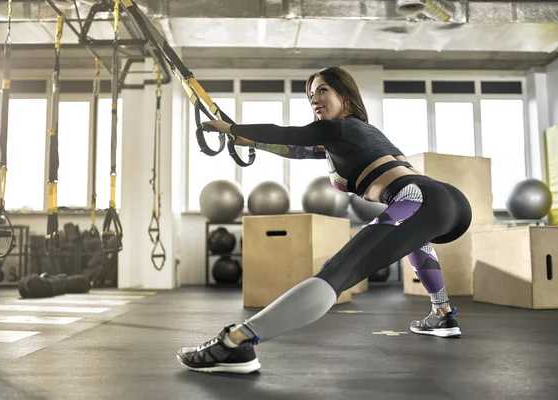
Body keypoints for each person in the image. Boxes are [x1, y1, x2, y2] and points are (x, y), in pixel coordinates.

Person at [177, 66, 472, 374]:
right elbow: (298, 148)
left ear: (344, 94)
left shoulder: (338, 128)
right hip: (446, 202)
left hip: (419, 198)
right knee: (415, 236)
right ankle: (442, 314)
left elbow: (287, 133)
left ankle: (235, 343)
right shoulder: (356, 134)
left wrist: (232, 128)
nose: (314, 99)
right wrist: (250, 141)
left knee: (336, 273)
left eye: (322, 90)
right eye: (310, 95)